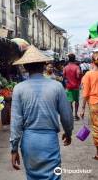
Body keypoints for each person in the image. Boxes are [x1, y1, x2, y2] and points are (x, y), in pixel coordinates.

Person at [10, 46, 73, 180]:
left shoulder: (18, 89)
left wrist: (14, 148)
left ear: (25, 67)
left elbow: (16, 122)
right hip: (49, 141)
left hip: (29, 141)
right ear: (44, 66)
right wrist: (68, 133)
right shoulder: (56, 86)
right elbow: (66, 116)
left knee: (32, 177)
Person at [80, 52, 98, 160]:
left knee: (97, 128)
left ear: (92, 62)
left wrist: (82, 108)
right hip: (94, 103)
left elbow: (85, 93)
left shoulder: (89, 74)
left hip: (94, 104)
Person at [63, 53, 81, 120]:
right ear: (74, 59)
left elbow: (64, 76)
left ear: (68, 59)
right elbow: (78, 75)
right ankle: (76, 115)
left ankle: (71, 115)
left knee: (70, 102)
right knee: (76, 101)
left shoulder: (65, 67)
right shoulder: (77, 67)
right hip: (76, 87)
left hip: (68, 87)